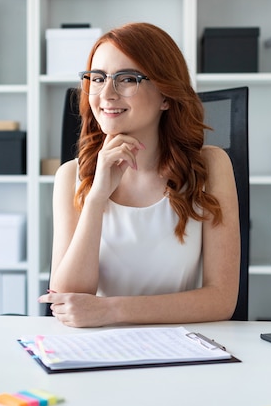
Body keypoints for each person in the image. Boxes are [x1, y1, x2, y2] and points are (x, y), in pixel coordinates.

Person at [38, 22, 240, 328]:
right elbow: (67, 301)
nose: (107, 93)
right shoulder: (71, 176)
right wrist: (96, 198)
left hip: (181, 349)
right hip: (94, 352)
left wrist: (111, 310)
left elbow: (221, 299)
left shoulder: (210, 168)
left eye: (127, 79)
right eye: (98, 78)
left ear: (166, 96)